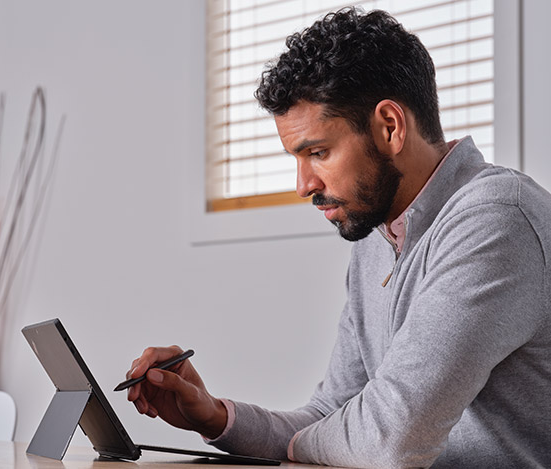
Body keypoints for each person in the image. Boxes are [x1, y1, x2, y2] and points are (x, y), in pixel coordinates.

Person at [124, 7, 551, 468]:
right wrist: (214, 417)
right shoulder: (379, 234)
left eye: (319, 152)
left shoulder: (494, 221)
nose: (304, 184)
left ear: (390, 127)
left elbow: (389, 439)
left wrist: (299, 445)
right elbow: (331, 417)